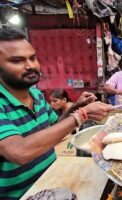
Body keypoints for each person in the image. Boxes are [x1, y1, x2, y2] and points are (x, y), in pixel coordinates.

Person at [0, 27, 113, 199]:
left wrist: (76, 106)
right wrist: (81, 114)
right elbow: (18, 151)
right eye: (17, 61)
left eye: (32, 58)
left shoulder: (36, 94)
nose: (30, 66)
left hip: (52, 182)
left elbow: (55, 129)